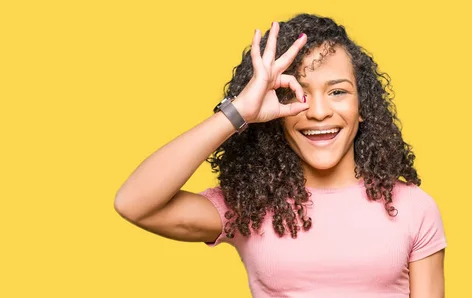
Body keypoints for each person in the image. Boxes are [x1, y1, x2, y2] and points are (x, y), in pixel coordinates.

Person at [114, 13, 447, 297]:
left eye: (338, 91)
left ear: (363, 107)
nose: (318, 111)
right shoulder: (250, 206)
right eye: (294, 93)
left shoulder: (413, 208)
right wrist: (239, 111)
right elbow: (134, 203)